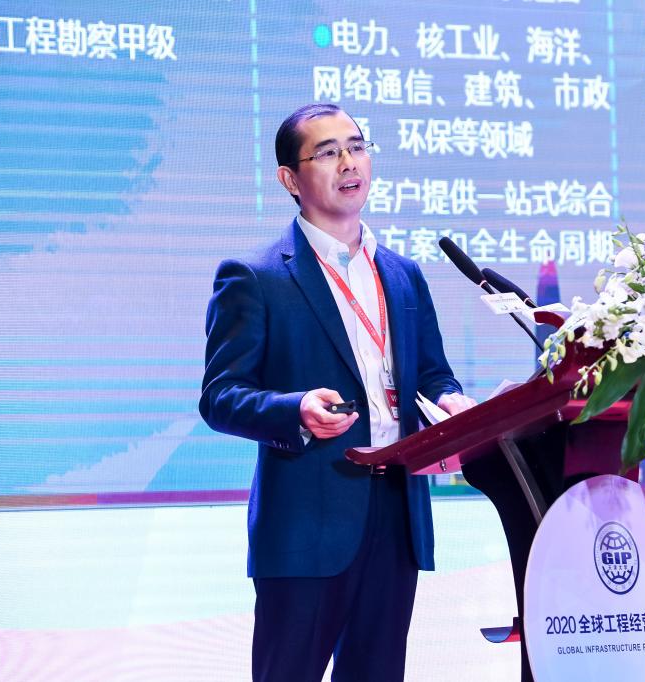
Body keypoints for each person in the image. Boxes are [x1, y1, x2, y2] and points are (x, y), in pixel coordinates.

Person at [199, 103, 475, 682]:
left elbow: (433, 375)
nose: (349, 162)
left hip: (396, 513)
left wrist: (451, 404)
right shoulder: (256, 276)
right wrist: (294, 409)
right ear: (290, 179)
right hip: (306, 521)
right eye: (327, 153)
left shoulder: (402, 274)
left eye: (357, 146)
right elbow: (221, 396)